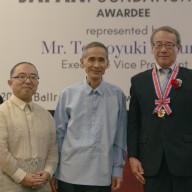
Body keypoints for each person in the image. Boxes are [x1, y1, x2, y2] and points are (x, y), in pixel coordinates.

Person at [53, 42, 127, 192]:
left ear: (108, 64)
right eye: (91, 59)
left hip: (102, 173)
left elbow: (120, 136)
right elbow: (58, 135)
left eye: (101, 60)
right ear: (82, 62)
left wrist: (117, 169)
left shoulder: (117, 95)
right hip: (68, 173)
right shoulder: (68, 94)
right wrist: (54, 168)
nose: (96, 65)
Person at [127, 26, 192, 192]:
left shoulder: (190, 78)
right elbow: (134, 123)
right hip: (151, 160)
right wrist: (133, 156)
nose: (163, 50)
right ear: (152, 48)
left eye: (169, 45)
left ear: (179, 48)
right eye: (158, 45)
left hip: (186, 159)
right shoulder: (139, 81)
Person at [0, 62, 58, 192]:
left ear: (37, 83)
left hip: (42, 186)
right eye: (21, 76)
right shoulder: (2, 112)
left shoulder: (47, 116)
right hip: (9, 186)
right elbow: (1, 151)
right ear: (10, 82)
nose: (28, 81)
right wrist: (21, 176)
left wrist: (48, 172)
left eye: (33, 77)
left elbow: (53, 152)